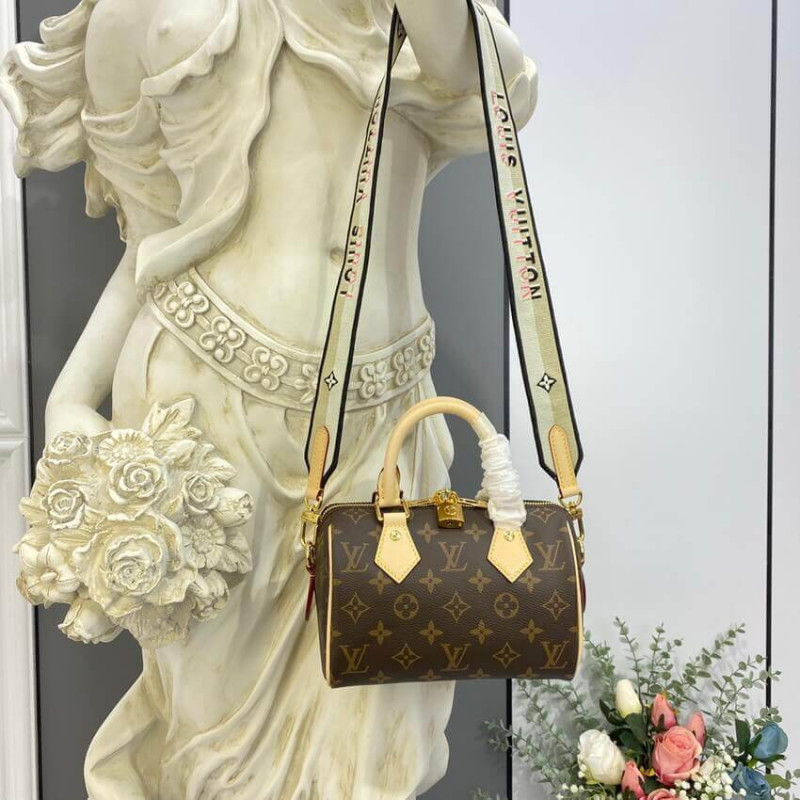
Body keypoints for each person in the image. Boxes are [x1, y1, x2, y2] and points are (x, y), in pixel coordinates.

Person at [1, 0, 537, 796]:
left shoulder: (407, 19)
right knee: (214, 752)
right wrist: (74, 392)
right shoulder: (153, 13)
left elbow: (479, 82)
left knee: (377, 751)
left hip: (384, 423)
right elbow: (149, 235)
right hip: (205, 413)